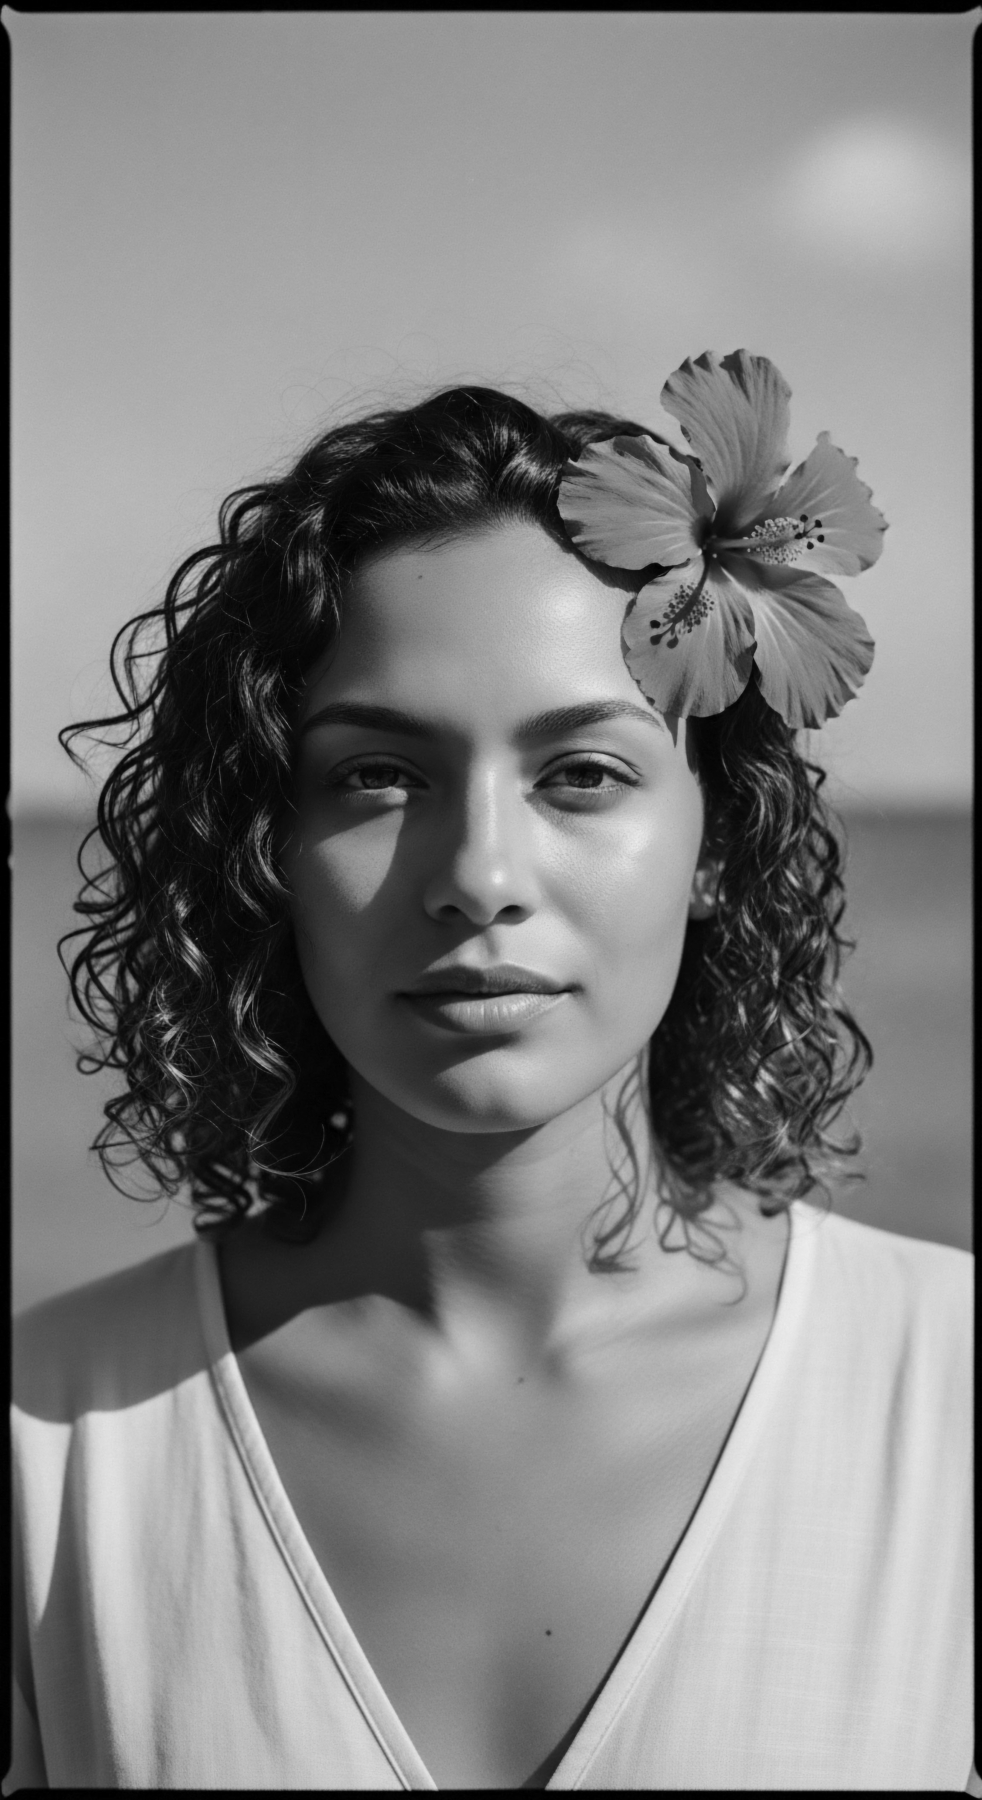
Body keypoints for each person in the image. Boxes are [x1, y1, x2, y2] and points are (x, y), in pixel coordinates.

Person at [8, 352, 973, 1791]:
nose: (476, 876)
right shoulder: (45, 1442)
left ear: (712, 840)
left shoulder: (948, 1397)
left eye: (580, 773)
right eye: (374, 775)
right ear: (261, 851)